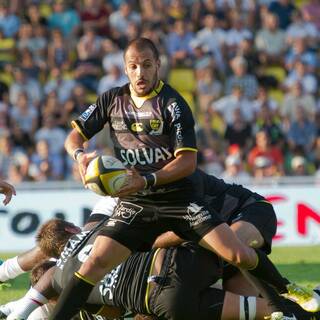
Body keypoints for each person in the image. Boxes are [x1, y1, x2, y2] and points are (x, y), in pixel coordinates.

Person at [50, 38, 319, 319]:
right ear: (125, 69)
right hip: (136, 203)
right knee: (94, 262)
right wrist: (79, 154)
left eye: (147, 65)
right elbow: (75, 136)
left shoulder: (173, 104)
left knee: (236, 254)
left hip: (178, 200)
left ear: (158, 66)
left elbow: (187, 163)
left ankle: (287, 290)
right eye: (133, 66)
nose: (140, 72)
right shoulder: (111, 100)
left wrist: (146, 180)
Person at [4, 218, 319, 320]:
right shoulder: (98, 226)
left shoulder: (58, 279)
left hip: (164, 304)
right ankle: (300, 295)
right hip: (176, 266)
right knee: (242, 232)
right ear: (73, 230)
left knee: (255, 310)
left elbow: (112, 312)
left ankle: (296, 310)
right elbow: (152, 233)